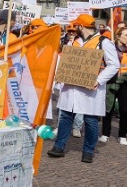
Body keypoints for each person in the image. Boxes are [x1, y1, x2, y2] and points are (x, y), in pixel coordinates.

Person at [47, 14, 120, 164]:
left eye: (76, 26)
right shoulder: (74, 42)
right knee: (66, 116)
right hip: (71, 87)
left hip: (91, 89)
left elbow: (114, 65)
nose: (74, 29)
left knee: (91, 120)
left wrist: (98, 80)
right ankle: (59, 146)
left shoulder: (103, 42)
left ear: (81, 26)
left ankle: (88, 151)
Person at [100, 26, 127, 145]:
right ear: (118, 36)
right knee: (109, 107)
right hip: (112, 81)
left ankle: (122, 135)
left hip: (125, 82)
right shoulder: (111, 48)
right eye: (126, 35)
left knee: (124, 109)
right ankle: (105, 133)